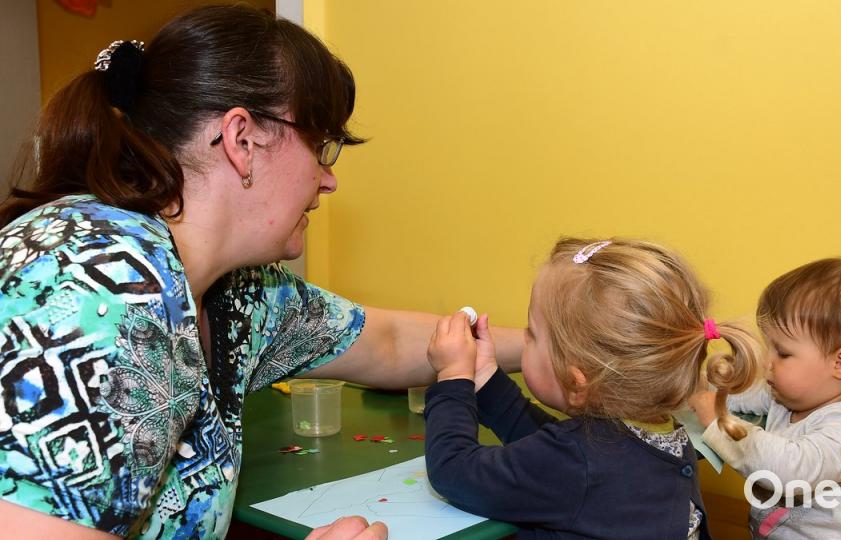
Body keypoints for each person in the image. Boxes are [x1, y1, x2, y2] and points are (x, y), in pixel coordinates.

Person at [0, 5, 523, 539]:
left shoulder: (235, 293)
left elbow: (386, 342)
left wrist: (545, 348)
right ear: (242, 141)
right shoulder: (96, 285)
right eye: (320, 147)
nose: (329, 180)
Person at [423, 238, 763, 539]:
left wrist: (453, 376)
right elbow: (553, 446)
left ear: (576, 381)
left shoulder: (577, 463)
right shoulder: (656, 431)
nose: (523, 340)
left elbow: (455, 471)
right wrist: (485, 375)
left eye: (532, 335)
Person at [689, 258, 841, 539]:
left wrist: (719, 422)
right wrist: (701, 388)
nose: (768, 362)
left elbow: (789, 469)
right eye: (769, 348)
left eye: (783, 353)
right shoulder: (787, 394)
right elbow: (740, 395)